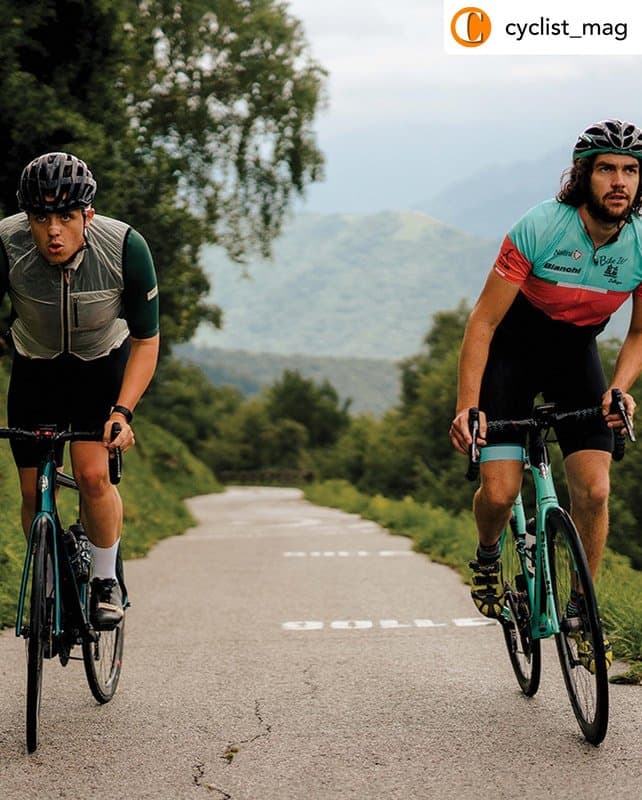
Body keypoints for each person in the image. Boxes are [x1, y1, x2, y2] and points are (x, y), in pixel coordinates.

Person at [449, 119, 642, 669]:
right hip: (510, 356)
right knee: (502, 492)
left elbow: (639, 333)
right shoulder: (539, 227)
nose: (619, 181)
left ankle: (582, 612)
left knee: (596, 491)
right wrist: (468, 406)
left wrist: (619, 389)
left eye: (630, 170)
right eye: (607, 168)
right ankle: (489, 556)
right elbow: (482, 324)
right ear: (584, 176)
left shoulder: (641, 244)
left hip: (575, 358)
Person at [0, 152, 160, 629]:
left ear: (87, 215)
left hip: (99, 369)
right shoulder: (7, 243)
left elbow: (146, 341)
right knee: (33, 492)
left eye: (66, 217)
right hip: (35, 370)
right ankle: (49, 574)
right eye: (40, 217)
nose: (53, 231)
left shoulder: (126, 247)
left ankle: (105, 582)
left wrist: (123, 412)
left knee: (93, 476)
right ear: (26, 216)